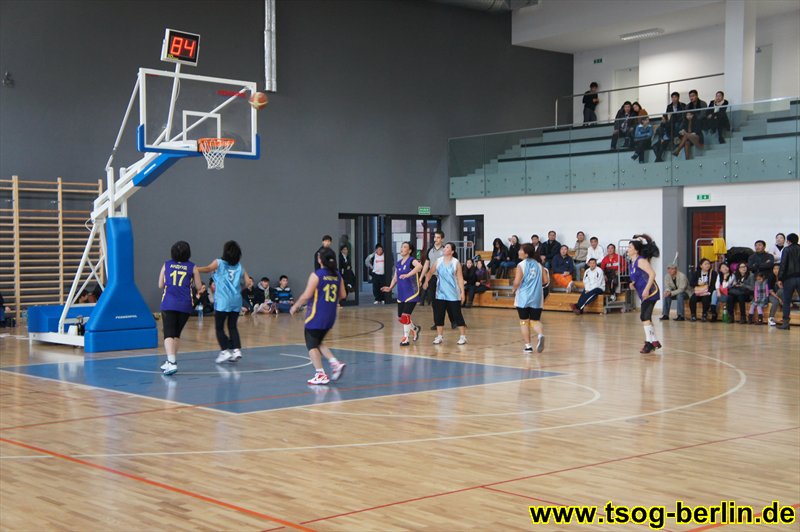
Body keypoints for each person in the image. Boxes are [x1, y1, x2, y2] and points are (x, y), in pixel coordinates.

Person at [290, 247, 347, 385]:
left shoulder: (317, 275)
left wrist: (295, 306)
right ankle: (335, 363)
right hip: (330, 315)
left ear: (320, 259)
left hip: (316, 314)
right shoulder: (337, 275)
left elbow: (306, 295)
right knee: (317, 341)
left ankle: (320, 374)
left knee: (311, 344)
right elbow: (343, 295)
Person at [198, 240, 250, 363]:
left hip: (223, 300)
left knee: (219, 327)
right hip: (236, 300)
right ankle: (236, 350)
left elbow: (207, 269)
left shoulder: (219, 262)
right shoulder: (239, 266)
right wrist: (239, 289)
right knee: (232, 326)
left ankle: (225, 351)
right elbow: (248, 282)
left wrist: (195, 268)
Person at [158, 240, 204, 376]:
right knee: (176, 334)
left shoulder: (166, 265)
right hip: (185, 304)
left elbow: (160, 285)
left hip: (169, 303)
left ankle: (172, 363)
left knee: (168, 333)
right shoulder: (193, 267)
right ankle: (170, 360)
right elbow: (199, 286)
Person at [423, 242, 467, 345]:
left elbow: (460, 278)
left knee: (457, 315)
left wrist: (462, 292)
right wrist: (426, 281)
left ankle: (463, 337)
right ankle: (439, 336)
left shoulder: (456, 262)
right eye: (445, 247)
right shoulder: (438, 261)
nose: (444, 248)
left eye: (447, 247)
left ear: (452, 251)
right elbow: (430, 272)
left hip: (453, 294)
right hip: (440, 294)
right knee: (439, 315)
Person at [381, 241, 422, 346]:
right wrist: (390, 287)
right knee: (401, 318)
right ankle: (415, 329)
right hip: (402, 293)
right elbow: (395, 277)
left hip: (412, 293)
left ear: (409, 250)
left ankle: (405, 338)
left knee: (405, 316)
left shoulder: (412, 260)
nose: (402, 248)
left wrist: (408, 274)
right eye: (402, 247)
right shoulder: (399, 263)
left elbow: (419, 267)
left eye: (405, 247)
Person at [627, 234, 662, 354]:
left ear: (636, 250)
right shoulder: (632, 263)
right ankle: (652, 342)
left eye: (630, 247)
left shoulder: (641, 260)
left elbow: (652, 274)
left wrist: (647, 289)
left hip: (651, 291)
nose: (628, 249)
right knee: (646, 317)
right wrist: (632, 284)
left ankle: (651, 342)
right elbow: (637, 277)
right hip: (643, 293)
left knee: (644, 316)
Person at [513, 244, 548, 353]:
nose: (519, 251)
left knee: (524, 322)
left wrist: (513, 289)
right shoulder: (539, 265)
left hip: (523, 298)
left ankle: (528, 346)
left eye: (521, 250)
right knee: (535, 320)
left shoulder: (521, 265)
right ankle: (540, 334)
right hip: (537, 297)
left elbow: (517, 282)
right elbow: (545, 281)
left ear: (526, 254)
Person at [777, 232, 800, 329]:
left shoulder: (786, 249)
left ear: (789, 241)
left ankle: (786, 323)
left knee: (786, 301)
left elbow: (783, 265)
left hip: (789, 279)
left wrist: (780, 278)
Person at [420, 230, 445, 309]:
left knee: (442, 298)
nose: (436, 239)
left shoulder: (445, 250)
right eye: (435, 237)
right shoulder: (430, 250)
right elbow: (426, 264)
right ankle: (436, 315)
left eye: (438, 237)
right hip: (432, 276)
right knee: (433, 298)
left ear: (442, 239)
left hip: (443, 277)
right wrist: (421, 278)